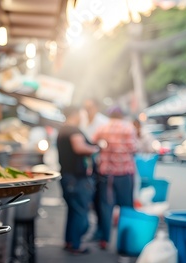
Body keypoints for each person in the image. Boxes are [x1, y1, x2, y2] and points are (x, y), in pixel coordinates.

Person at [93, 106, 138, 250]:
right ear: (122, 115)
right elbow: (134, 148)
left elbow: (93, 143)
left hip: (106, 174)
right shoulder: (128, 128)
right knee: (126, 208)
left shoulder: (102, 127)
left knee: (106, 207)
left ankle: (104, 240)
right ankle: (126, 241)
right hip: (124, 173)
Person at [57, 106, 100, 254]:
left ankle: (70, 241)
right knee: (80, 212)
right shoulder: (72, 130)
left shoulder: (63, 129)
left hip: (68, 176)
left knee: (73, 211)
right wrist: (96, 148)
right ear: (75, 114)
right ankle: (76, 245)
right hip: (76, 179)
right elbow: (79, 148)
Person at [80, 97, 109, 242]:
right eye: (86, 108)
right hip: (85, 166)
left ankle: (102, 231)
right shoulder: (82, 120)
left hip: (100, 166)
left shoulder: (103, 122)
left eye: (90, 107)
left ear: (96, 107)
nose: (87, 110)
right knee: (88, 200)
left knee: (101, 201)